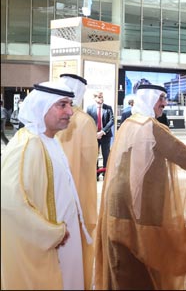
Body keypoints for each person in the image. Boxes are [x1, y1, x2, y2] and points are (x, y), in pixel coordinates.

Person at [94, 84, 186, 290]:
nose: (165, 103)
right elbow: (180, 152)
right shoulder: (149, 126)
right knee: (140, 262)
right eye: (161, 98)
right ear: (149, 99)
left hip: (119, 205)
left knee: (121, 262)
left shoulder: (129, 123)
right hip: (138, 207)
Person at [1, 81, 93, 289]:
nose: (70, 111)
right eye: (62, 105)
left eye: (70, 104)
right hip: (50, 244)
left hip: (64, 239)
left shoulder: (49, 140)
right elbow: (11, 203)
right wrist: (52, 233)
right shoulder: (28, 145)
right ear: (41, 106)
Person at [55, 73, 99, 291]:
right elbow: (90, 163)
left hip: (54, 196)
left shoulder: (51, 118)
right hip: (78, 196)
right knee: (79, 248)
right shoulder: (84, 122)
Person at [86, 91, 115, 179]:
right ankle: (96, 173)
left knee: (106, 154)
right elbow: (88, 121)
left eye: (102, 97)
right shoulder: (90, 108)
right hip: (94, 136)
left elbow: (112, 121)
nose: (101, 99)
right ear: (95, 98)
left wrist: (102, 131)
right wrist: (94, 133)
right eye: (99, 97)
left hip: (105, 135)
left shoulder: (108, 108)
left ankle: (105, 173)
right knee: (95, 154)